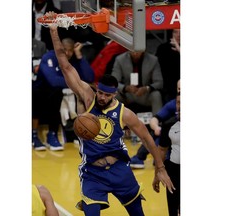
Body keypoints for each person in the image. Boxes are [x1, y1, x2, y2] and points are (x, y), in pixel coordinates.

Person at [46, 13, 175, 216]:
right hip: (93, 173)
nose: (102, 97)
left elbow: (147, 138)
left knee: (138, 213)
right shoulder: (87, 98)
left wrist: (160, 167)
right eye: (100, 92)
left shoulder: (125, 113)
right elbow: (65, 65)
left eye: (107, 95)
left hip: (119, 170)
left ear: (114, 94)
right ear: (96, 89)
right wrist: (54, 31)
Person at [32, 37, 95, 151]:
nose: (67, 53)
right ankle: (34, 135)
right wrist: (77, 82)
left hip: (59, 93)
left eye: (70, 50)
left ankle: (53, 134)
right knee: (44, 94)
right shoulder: (49, 57)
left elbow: (89, 77)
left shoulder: (74, 59)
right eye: (64, 49)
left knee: (60, 95)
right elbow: (53, 81)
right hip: (40, 91)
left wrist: (79, 55)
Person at [130, 80, 180, 168]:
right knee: (160, 130)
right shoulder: (173, 104)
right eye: (179, 89)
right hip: (174, 142)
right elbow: (154, 119)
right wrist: (157, 128)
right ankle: (141, 158)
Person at [111, 49, 163, 116]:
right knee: (114, 94)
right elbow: (114, 81)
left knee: (156, 95)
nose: (135, 54)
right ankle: (113, 120)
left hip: (145, 94)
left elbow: (159, 82)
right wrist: (126, 88)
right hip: (127, 95)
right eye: (133, 51)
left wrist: (147, 88)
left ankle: (157, 121)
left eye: (138, 51)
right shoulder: (120, 59)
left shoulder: (153, 60)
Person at [155, 93, 180, 216]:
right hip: (174, 172)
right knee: (173, 210)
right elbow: (161, 152)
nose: (180, 107)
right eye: (178, 103)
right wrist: (156, 175)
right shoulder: (169, 125)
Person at [156, 29, 180, 104]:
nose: (179, 35)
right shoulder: (163, 48)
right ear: (171, 33)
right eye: (176, 32)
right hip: (167, 85)